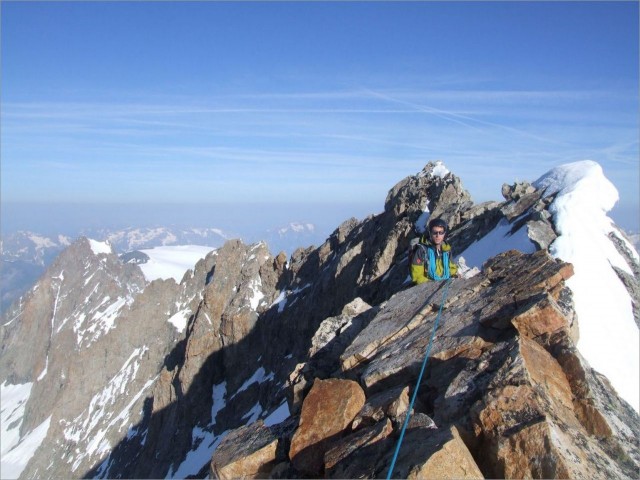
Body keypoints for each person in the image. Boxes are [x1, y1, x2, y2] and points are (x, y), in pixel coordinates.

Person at [409, 218, 458, 284]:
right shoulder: (422, 250)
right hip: (427, 286)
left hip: (444, 283)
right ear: (430, 233)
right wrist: (432, 284)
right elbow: (417, 276)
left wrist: (454, 276)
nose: (438, 235)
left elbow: (452, 269)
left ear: (444, 234)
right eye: (435, 232)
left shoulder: (446, 250)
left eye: (441, 232)